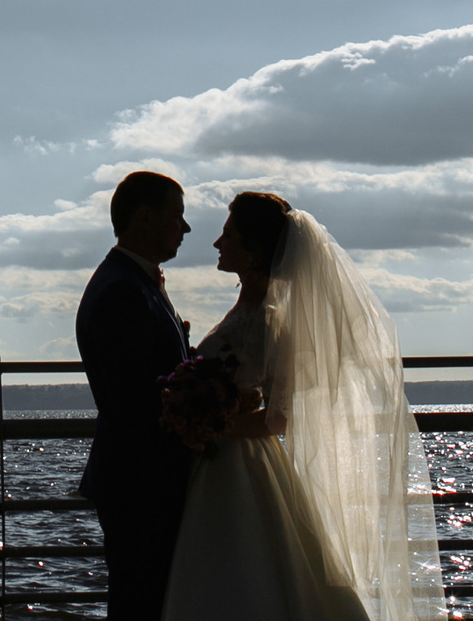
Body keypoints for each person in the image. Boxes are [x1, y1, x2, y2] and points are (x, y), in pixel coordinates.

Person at [160, 192, 446, 621]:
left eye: (228, 234)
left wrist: (216, 424)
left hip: (240, 464)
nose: (218, 244)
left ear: (254, 251)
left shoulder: (270, 323)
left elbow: (279, 417)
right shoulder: (248, 313)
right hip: (217, 463)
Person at [74, 169, 195, 621]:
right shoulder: (123, 291)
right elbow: (136, 400)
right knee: (141, 600)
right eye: (177, 216)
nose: (184, 229)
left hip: (140, 480)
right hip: (141, 483)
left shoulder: (132, 282)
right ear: (146, 218)